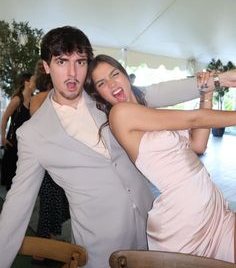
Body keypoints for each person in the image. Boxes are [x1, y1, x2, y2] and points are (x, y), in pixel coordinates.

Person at [0, 26, 215, 268]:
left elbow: (151, 93)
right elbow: (18, 203)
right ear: (47, 66)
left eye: (80, 62)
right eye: (62, 62)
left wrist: (210, 83)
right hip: (101, 247)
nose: (72, 73)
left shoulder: (104, 96)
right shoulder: (32, 134)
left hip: (152, 227)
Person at [85, 54, 236, 263]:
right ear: (98, 94)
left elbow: (198, 144)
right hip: (185, 219)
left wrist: (206, 94)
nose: (111, 84)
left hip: (212, 207)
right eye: (102, 83)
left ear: (126, 76)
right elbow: (193, 118)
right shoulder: (120, 115)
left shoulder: (148, 113)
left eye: (114, 74)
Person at [30, 60, 70, 264]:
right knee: (49, 204)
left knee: (56, 205)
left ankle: (50, 243)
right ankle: (40, 250)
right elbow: (41, 132)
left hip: (59, 162)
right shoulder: (42, 99)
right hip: (49, 163)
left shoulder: (49, 98)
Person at [1, 72, 35, 190]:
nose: (35, 82)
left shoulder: (34, 100)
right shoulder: (17, 99)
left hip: (25, 144)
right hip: (13, 143)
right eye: (32, 80)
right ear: (26, 83)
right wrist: (3, 138)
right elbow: (5, 118)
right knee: (11, 178)